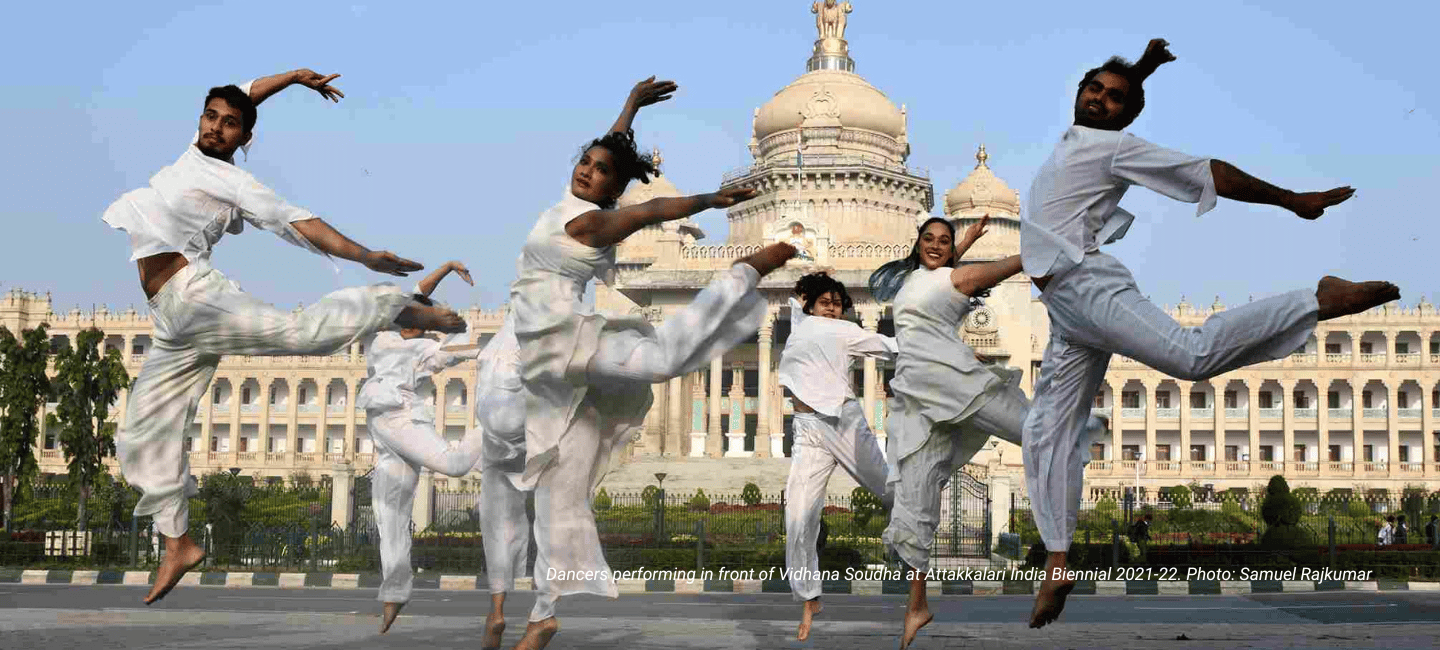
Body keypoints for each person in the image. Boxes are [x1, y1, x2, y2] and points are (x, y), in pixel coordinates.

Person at [1019, 39, 1401, 628]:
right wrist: (1138, 71)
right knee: (1044, 430)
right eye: (1093, 88)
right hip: (1064, 308)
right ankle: (1059, 561)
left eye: (1112, 97)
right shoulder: (1078, 137)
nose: (1098, 99)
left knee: (1191, 357)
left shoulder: (1114, 147)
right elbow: (1117, 93)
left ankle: (1314, 299)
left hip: (1086, 285)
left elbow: (1206, 173)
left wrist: (1290, 199)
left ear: (1127, 115)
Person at [101, 69, 465, 606]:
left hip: (196, 298)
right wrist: (294, 78)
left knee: (300, 334)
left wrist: (363, 255)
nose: (217, 128)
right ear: (200, 120)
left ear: (244, 140)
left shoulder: (235, 181)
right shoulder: (192, 156)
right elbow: (245, 95)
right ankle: (177, 542)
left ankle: (397, 308)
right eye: (210, 118)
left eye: (229, 125)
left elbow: (300, 223)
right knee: (140, 433)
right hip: (170, 323)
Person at [506, 76, 797, 650]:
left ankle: (746, 270)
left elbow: (651, 210)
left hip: (566, 340)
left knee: (663, 357)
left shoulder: (590, 222)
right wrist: (630, 108)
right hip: (542, 357)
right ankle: (543, 612)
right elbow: (612, 152)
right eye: (584, 163)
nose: (588, 170)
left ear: (612, 193)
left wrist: (708, 203)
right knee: (556, 483)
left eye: (599, 172)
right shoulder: (572, 203)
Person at [868, 216, 1104, 649]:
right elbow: (936, 273)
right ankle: (917, 605)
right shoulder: (921, 279)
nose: (937, 246)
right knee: (915, 496)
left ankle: (1058, 564)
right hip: (919, 399)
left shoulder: (957, 279)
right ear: (918, 243)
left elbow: (1009, 266)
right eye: (930, 239)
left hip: (958, 383)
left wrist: (1046, 247)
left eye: (945, 241)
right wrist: (968, 238)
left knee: (1039, 434)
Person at [356, 261, 486, 633]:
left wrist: (492, 350)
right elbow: (419, 289)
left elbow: (459, 351)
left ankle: (493, 425)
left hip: (402, 421)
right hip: (381, 429)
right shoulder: (380, 333)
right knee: (389, 516)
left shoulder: (426, 349)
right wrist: (447, 266)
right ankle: (394, 593)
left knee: (455, 465)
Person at [778, 271, 897, 641]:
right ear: (810, 304)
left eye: (837, 304)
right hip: (807, 429)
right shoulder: (801, 324)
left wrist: (946, 351)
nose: (832, 309)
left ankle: (910, 536)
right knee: (797, 518)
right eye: (824, 302)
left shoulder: (841, 331)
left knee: (890, 490)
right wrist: (807, 291)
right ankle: (809, 596)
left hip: (842, 423)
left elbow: (891, 346)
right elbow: (797, 303)